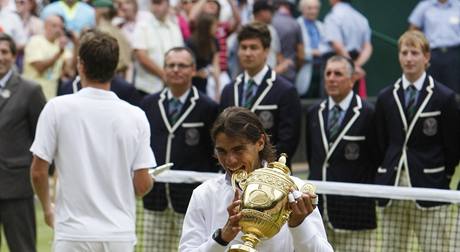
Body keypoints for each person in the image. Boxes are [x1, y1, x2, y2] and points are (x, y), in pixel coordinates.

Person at [30, 30, 156, 251]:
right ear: (115, 68)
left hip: (72, 234)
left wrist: (49, 211)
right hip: (119, 235)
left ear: (80, 65)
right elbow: (142, 185)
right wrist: (147, 181)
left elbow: (38, 172)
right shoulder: (136, 115)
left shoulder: (56, 108)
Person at [179, 107, 333, 251]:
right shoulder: (204, 194)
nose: (230, 160)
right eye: (222, 151)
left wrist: (298, 225)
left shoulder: (295, 190)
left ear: (260, 142)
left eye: (238, 150)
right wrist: (221, 238)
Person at [374, 30, 460, 251]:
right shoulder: (385, 97)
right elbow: (381, 143)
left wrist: (442, 174)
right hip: (392, 187)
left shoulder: (445, 97)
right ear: (399, 56)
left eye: (414, 52)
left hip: (431, 187)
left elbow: (453, 146)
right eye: (404, 52)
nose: (409, 58)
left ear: (427, 57)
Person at [139, 46, 219, 251]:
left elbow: (214, 154)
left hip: (191, 203)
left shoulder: (208, 107)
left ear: (193, 70)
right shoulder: (148, 104)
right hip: (154, 199)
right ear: (164, 69)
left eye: (182, 65)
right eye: (171, 65)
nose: (176, 70)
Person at [306, 55, 377, 251]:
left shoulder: (368, 114)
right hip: (319, 215)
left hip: (356, 214)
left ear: (352, 78)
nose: (331, 78)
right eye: (328, 73)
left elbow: (376, 159)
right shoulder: (314, 112)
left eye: (338, 73)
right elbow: (315, 160)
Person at [220, 22, 301, 165]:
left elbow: (288, 141)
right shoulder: (229, 90)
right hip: (233, 172)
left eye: (254, 47)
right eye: (243, 47)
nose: (248, 53)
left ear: (266, 51)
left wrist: (260, 168)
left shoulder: (285, 90)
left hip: (270, 176)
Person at [0, 33, 46, 252]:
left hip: (16, 186)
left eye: (4, 52)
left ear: (13, 55)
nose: (0, 57)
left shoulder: (30, 91)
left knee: (22, 248)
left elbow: (43, 139)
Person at [132, 0, 183, 95]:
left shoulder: (174, 27)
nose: (155, 7)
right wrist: (164, 75)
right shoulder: (142, 26)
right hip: (147, 88)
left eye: (158, 3)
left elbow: (180, 55)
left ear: (168, 5)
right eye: (153, 3)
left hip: (171, 88)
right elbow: (141, 56)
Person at [408, 0, 460, 94]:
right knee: (430, 88)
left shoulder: (458, 5)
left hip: (455, 54)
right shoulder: (424, 6)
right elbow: (413, 29)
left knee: (455, 89)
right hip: (431, 54)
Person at [322, 0, 372, 96]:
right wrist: (355, 66)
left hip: (338, 62)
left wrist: (352, 66)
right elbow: (367, 47)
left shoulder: (333, 17)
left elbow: (336, 44)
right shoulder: (361, 18)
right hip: (353, 66)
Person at [23, 15, 72, 100]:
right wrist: (59, 53)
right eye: (54, 26)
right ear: (45, 26)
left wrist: (76, 42)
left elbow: (69, 71)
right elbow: (40, 68)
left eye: (61, 27)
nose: (58, 29)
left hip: (50, 98)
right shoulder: (35, 41)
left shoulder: (60, 45)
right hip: (30, 96)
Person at [296, 0, 325, 98]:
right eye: (310, 8)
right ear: (302, 9)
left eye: (316, 8)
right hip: (304, 66)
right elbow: (297, 49)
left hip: (320, 68)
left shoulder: (321, 25)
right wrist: (312, 52)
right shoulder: (297, 25)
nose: (313, 11)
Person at [271, 0, 304, 84]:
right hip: (289, 73)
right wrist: (296, 68)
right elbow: (301, 54)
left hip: (271, 71)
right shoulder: (295, 23)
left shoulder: (269, 22)